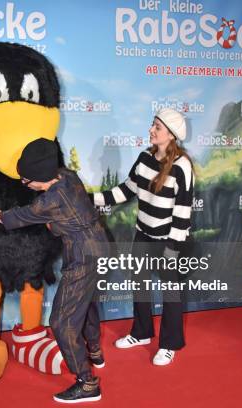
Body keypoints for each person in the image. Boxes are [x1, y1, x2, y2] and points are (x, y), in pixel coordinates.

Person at [0, 138, 108, 404]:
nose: (25, 185)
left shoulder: (48, 201)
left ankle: (87, 383)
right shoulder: (67, 176)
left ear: (39, 180)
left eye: (26, 181)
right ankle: (94, 349)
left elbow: (6, 219)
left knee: (61, 322)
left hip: (82, 257)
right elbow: (71, 212)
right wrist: (57, 225)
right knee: (87, 301)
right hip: (99, 245)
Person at [91, 107, 194, 366]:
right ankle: (142, 333)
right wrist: (90, 198)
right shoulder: (144, 158)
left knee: (171, 293)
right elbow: (125, 191)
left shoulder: (182, 167)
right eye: (153, 125)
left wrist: (172, 250)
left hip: (168, 241)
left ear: (170, 135)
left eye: (157, 127)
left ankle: (170, 344)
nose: (151, 130)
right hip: (143, 235)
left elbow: (183, 213)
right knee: (140, 286)